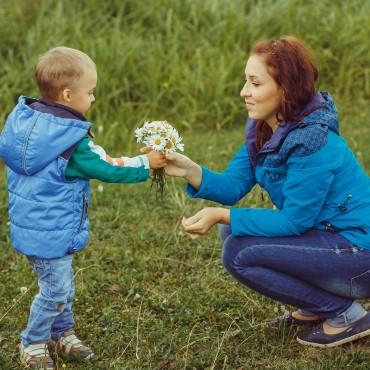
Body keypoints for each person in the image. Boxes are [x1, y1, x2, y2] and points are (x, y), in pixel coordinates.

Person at [165, 36, 370, 348]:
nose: (243, 92)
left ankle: (344, 314)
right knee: (232, 233)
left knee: (240, 252)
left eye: (255, 83)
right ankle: (317, 306)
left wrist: (221, 214)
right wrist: (190, 169)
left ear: (284, 89)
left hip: (359, 255)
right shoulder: (264, 127)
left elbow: (294, 222)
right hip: (327, 238)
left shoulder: (313, 143)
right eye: (246, 81)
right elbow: (233, 185)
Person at [0, 46, 166, 369]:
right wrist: (147, 162)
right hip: (51, 232)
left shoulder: (29, 124)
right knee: (55, 290)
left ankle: (62, 334)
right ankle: (33, 343)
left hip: (34, 228)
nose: (92, 99)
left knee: (61, 284)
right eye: (90, 92)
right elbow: (110, 167)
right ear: (67, 94)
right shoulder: (70, 143)